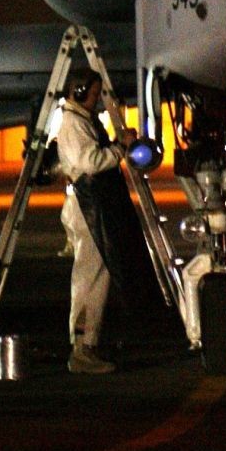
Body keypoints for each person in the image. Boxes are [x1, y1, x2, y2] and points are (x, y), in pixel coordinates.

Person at [56, 66, 136, 375]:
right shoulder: (74, 124)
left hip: (91, 205)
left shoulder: (81, 121)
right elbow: (89, 162)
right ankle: (82, 349)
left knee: (96, 273)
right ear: (79, 92)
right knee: (90, 275)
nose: (97, 99)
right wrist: (120, 149)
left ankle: (89, 342)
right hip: (86, 207)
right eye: (94, 93)